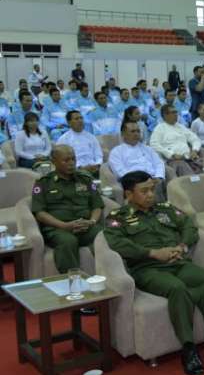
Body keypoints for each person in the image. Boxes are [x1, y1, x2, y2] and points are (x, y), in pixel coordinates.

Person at [104, 170, 204, 375]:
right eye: (144, 191)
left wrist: (182, 246)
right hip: (146, 269)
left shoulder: (166, 209)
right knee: (177, 289)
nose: (151, 195)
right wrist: (152, 253)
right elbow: (118, 244)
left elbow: (189, 226)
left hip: (178, 261)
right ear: (128, 194)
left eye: (152, 189)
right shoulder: (117, 218)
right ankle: (188, 349)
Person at [31, 145, 104, 274]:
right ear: (54, 161)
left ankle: (108, 275)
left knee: (105, 234)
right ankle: (72, 279)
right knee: (68, 241)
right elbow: (40, 213)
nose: (71, 163)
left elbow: (97, 206)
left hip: (85, 226)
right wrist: (64, 226)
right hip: (58, 229)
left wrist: (92, 222)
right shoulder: (44, 183)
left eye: (73, 159)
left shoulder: (85, 179)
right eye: (66, 160)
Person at [109, 120, 168, 200]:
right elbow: (120, 172)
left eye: (138, 131)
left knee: (160, 183)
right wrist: (141, 181)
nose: (136, 134)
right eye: (133, 131)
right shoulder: (116, 152)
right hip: (133, 182)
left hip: (153, 179)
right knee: (149, 186)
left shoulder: (147, 148)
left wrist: (158, 176)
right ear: (123, 134)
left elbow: (159, 163)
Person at [149, 104, 204, 179]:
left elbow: (195, 139)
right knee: (186, 171)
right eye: (173, 112)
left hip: (189, 157)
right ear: (165, 115)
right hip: (175, 161)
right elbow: (154, 144)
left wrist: (195, 150)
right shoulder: (160, 128)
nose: (176, 114)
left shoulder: (180, 127)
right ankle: (195, 184)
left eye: (176, 112)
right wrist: (171, 154)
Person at [56, 111, 104, 175]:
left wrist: (97, 165)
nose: (80, 121)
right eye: (76, 119)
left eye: (81, 118)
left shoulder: (91, 137)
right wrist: (79, 168)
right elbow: (62, 160)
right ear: (69, 123)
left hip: (94, 169)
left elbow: (99, 155)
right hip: (75, 171)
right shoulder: (63, 139)